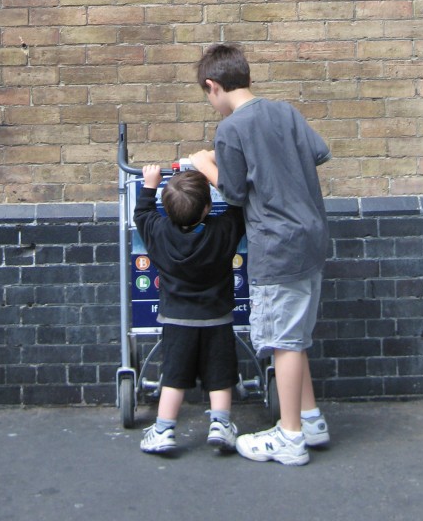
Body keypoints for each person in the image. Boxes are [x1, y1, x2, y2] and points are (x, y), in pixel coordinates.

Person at [191, 42, 331, 466]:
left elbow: (233, 192)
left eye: (207, 96)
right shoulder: (284, 111)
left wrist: (203, 163)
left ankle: (290, 438)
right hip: (312, 238)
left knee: (284, 341)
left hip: (276, 245)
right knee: (298, 334)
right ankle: (310, 420)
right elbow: (317, 152)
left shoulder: (230, 129)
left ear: (213, 87)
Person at [134, 161, 245, 456]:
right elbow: (238, 207)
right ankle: (220, 425)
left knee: (174, 376)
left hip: (176, 319)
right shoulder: (222, 232)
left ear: (166, 209)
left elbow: (142, 213)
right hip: (217, 318)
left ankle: (163, 429)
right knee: (220, 375)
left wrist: (150, 184)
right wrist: (213, 170)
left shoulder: (157, 232)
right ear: (208, 208)